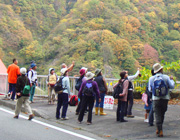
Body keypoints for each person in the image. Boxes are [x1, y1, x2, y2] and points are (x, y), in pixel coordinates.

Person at [148, 63, 175, 137]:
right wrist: (172, 80)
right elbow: (171, 86)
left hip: (155, 99)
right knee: (162, 114)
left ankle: (159, 129)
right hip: (165, 98)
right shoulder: (166, 77)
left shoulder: (151, 78)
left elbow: (150, 89)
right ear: (161, 69)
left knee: (157, 114)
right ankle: (160, 129)